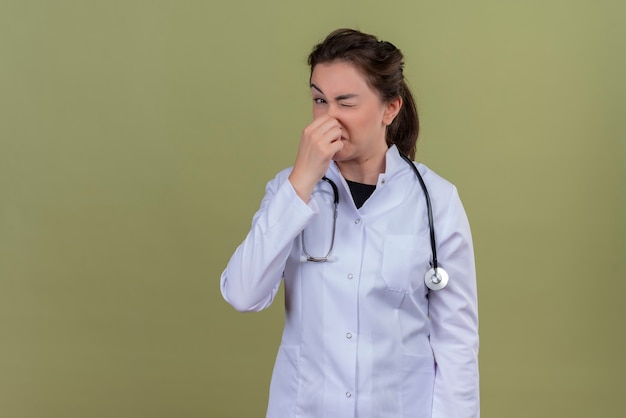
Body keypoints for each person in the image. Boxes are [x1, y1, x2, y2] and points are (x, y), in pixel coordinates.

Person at [220, 28, 479, 418]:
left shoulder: (436, 200)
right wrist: (302, 180)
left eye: (346, 102)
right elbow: (243, 294)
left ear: (389, 109)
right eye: (319, 100)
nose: (329, 118)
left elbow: (456, 343)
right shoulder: (289, 191)